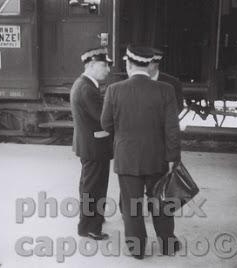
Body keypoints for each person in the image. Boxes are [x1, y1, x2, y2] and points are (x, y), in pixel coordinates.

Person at [101, 45, 181, 259]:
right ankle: (167, 244)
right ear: (149, 65)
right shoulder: (166, 90)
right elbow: (172, 128)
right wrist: (174, 158)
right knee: (161, 202)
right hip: (158, 158)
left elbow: (106, 124)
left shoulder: (114, 89)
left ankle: (137, 250)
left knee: (131, 205)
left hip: (127, 158)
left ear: (128, 64)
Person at [70, 47, 113, 240]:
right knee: (94, 187)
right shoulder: (87, 88)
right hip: (95, 147)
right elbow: (103, 118)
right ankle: (89, 227)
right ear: (92, 65)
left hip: (90, 145)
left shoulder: (83, 84)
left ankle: (93, 220)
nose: (107, 70)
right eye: (104, 65)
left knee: (89, 185)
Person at [148, 49, 184, 113]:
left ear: (155, 65)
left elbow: (178, 108)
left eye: (144, 64)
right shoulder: (134, 81)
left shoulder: (173, 83)